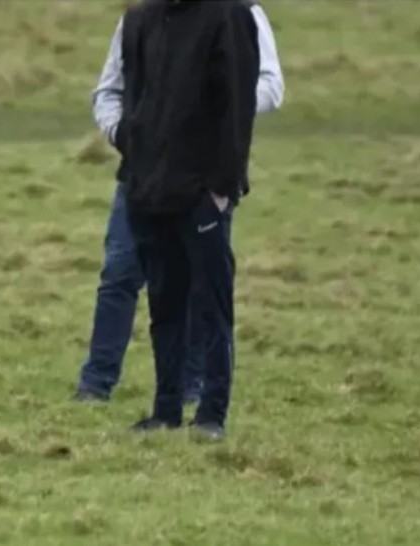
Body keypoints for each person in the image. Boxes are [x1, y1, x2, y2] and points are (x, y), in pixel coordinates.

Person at [74, 0, 283, 408]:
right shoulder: (138, 18)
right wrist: (130, 136)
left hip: (201, 174)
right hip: (142, 172)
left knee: (196, 286)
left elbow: (270, 84)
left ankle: (194, 390)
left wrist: (212, 109)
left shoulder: (239, 12)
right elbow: (109, 88)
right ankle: (97, 383)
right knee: (120, 273)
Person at [109, 0, 264, 438]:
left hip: (201, 193)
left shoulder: (228, 16)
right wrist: (135, 162)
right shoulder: (140, 19)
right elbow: (134, 96)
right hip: (148, 190)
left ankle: (212, 414)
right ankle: (166, 410)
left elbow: (237, 107)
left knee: (212, 306)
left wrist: (221, 189)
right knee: (164, 304)